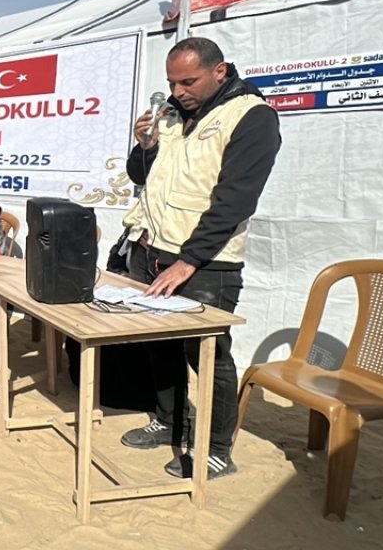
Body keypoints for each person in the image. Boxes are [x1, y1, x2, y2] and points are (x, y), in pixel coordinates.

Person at [118, 37, 282, 480]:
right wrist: (145, 147)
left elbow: (236, 200)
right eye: (172, 82)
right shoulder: (170, 115)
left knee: (207, 354)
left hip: (207, 263)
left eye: (188, 81)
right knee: (159, 347)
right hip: (151, 249)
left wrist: (188, 262)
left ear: (220, 72)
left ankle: (216, 448)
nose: (178, 91)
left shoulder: (253, 118)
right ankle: (169, 420)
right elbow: (139, 176)